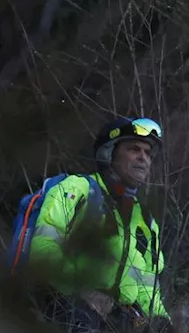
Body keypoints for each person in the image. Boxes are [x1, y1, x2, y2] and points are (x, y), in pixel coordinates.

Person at [25, 117, 171, 332]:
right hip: (63, 305)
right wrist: (82, 289)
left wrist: (161, 320)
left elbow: (148, 289)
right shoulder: (77, 189)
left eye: (148, 153)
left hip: (117, 318)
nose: (143, 158)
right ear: (109, 154)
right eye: (134, 149)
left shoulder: (145, 220)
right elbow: (43, 252)